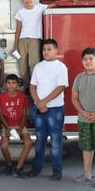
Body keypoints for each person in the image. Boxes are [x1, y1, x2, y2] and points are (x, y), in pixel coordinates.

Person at [13, 0, 77, 89]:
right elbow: (18, 29)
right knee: (23, 65)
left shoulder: (39, 7)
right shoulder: (20, 12)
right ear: (22, 0)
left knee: (33, 63)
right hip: (22, 40)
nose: (28, 0)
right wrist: (15, 46)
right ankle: (27, 86)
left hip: (35, 40)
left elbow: (55, 4)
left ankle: (33, 86)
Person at [28, 39, 68, 181]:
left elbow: (60, 87)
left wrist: (43, 102)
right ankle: (37, 167)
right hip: (39, 109)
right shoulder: (38, 67)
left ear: (56, 51)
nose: (46, 52)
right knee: (40, 139)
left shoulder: (61, 67)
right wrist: (38, 103)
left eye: (49, 49)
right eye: (44, 49)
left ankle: (57, 169)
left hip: (55, 109)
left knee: (56, 141)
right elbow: (32, 86)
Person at [71, 47, 95, 188]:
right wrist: (83, 112)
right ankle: (87, 174)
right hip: (84, 119)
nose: (88, 62)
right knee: (86, 147)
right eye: (85, 59)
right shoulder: (79, 78)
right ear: (82, 61)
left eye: (91, 59)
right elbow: (74, 98)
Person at [0, 74, 32, 178]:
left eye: (13, 83)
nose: (11, 86)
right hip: (6, 124)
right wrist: (7, 128)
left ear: (17, 84)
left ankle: (19, 167)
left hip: (19, 124)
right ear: (5, 84)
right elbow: (1, 115)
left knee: (28, 142)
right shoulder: (1, 96)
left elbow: (24, 114)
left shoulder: (22, 96)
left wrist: (20, 128)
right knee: (3, 146)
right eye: (8, 83)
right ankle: (9, 165)